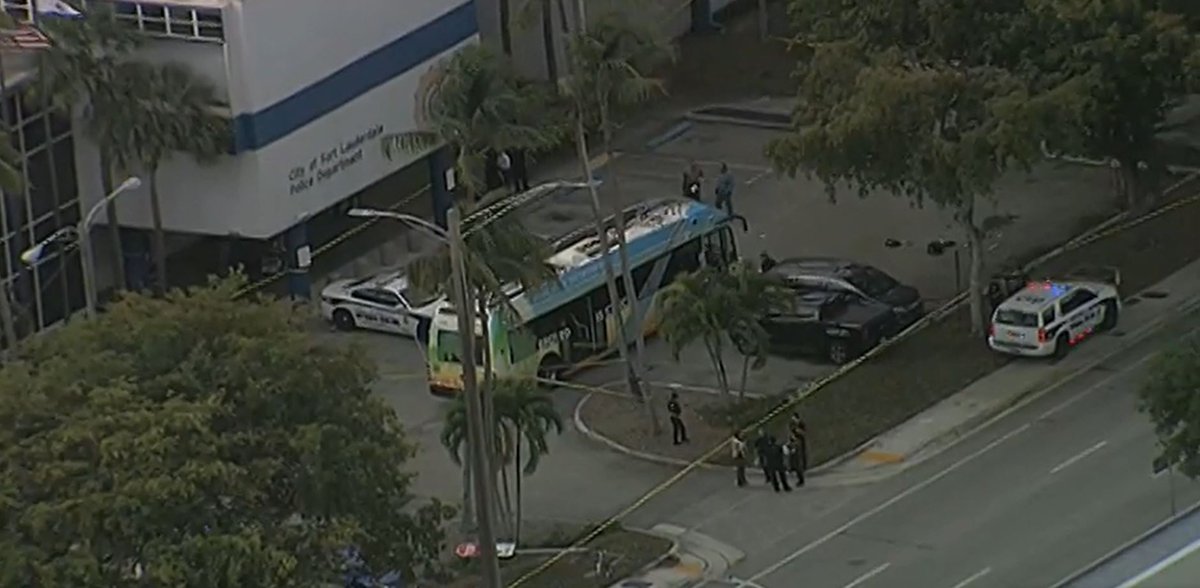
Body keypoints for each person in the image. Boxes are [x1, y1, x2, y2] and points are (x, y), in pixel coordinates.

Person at [789, 413, 808, 486]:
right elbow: (791, 432)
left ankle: (802, 470)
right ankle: (794, 468)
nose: (793, 420)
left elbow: (804, 433)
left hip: (800, 443)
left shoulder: (801, 424)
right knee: (794, 457)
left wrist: (798, 431)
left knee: (800, 457)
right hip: (795, 443)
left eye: (794, 418)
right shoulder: (792, 425)